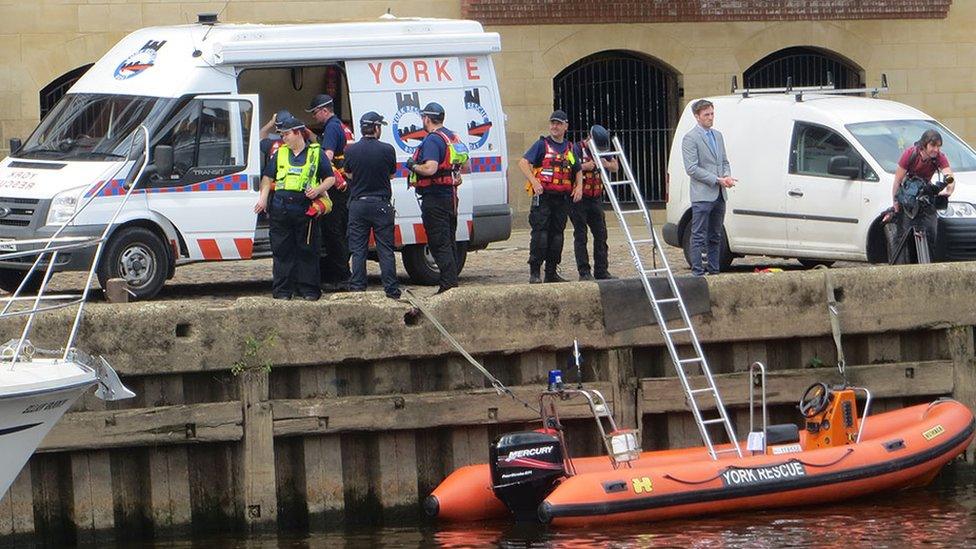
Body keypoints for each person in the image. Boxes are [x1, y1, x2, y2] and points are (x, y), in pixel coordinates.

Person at [254, 115, 334, 301]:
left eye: (286, 134)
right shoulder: (280, 153)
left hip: (306, 208)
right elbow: (267, 178)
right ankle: (283, 291)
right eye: (282, 135)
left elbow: (329, 178)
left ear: (298, 133)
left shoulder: (315, 153)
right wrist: (263, 199)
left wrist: (318, 190)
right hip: (281, 208)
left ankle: (308, 290)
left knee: (307, 250)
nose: (283, 138)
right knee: (282, 251)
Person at [405, 102, 466, 294]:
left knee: (439, 243)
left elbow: (430, 168)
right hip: (451, 197)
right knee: (448, 241)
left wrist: (413, 166)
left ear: (427, 119)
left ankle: (448, 286)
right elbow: (463, 167)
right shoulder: (451, 136)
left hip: (435, 198)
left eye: (423, 117)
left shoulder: (432, 140)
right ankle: (451, 282)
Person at [518, 110, 582, 284]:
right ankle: (535, 272)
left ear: (566, 126)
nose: (555, 126)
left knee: (557, 237)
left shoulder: (569, 149)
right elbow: (523, 162)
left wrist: (579, 187)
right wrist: (534, 181)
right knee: (540, 235)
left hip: (562, 199)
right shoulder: (541, 145)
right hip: (543, 197)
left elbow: (577, 169)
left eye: (559, 123)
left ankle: (551, 272)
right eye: (553, 123)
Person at [343, 111, 401, 299]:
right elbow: (392, 174)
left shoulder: (350, 150)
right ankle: (391, 289)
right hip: (381, 205)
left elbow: (348, 174)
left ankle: (358, 286)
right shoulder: (387, 149)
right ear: (376, 128)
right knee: (385, 249)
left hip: (358, 205)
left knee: (358, 249)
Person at [681, 99, 735, 276]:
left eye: (712, 114)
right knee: (698, 235)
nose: (710, 118)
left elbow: (724, 160)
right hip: (703, 195)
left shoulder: (717, 135)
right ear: (697, 117)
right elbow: (692, 168)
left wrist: (726, 175)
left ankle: (714, 270)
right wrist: (716, 179)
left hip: (719, 194)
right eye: (706, 115)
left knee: (716, 234)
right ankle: (697, 271)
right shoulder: (690, 138)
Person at [306, 94, 352, 290]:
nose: (315, 116)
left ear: (325, 110)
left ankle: (341, 277)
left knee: (333, 233)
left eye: (315, 113)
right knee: (339, 232)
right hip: (344, 188)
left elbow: (327, 156)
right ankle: (340, 273)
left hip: (335, 189)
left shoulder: (332, 127)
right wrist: (310, 135)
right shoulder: (339, 126)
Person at [890, 129, 955, 263]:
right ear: (924, 145)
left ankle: (928, 267)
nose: (936, 150)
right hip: (909, 200)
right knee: (903, 237)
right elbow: (897, 180)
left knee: (931, 233)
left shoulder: (939, 157)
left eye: (938, 146)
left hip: (925, 195)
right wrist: (895, 203)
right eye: (933, 146)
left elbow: (949, 175)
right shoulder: (910, 154)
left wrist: (949, 188)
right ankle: (901, 267)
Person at [570, 124, 618, 281]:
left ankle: (602, 270)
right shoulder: (576, 149)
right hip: (579, 200)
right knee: (581, 235)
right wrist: (585, 166)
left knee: (601, 234)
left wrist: (606, 164)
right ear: (590, 139)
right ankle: (584, 272)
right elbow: (569, 166)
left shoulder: (602, 150)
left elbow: (615, 166)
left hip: (595, 198)